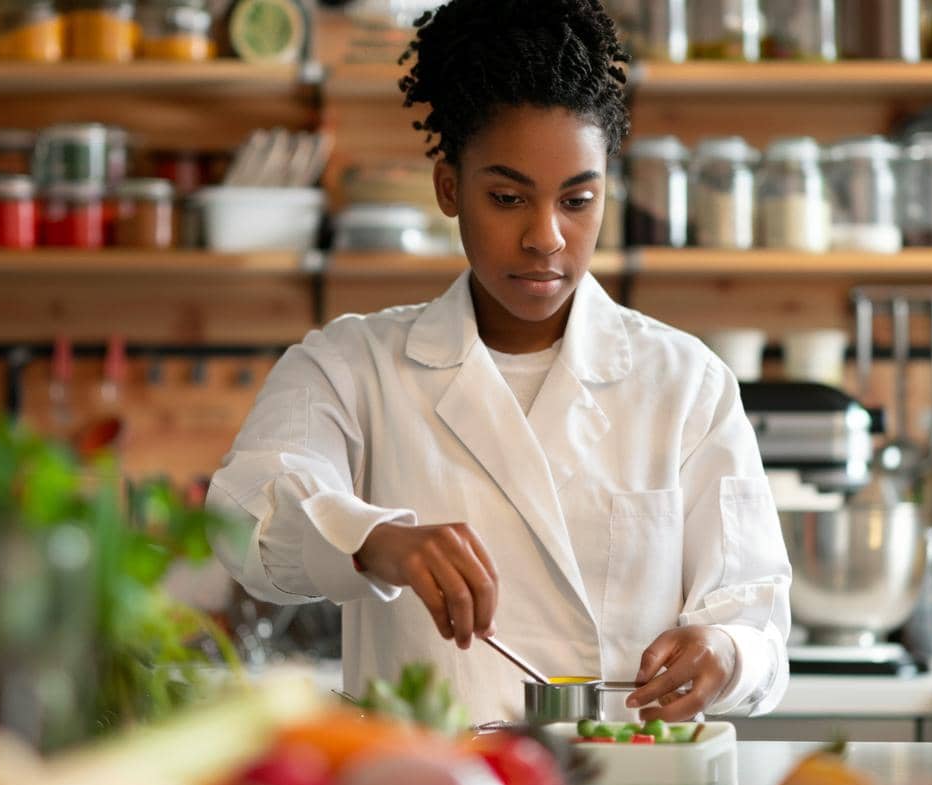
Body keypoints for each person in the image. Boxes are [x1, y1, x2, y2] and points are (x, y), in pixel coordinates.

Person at [209, 0, 791, 724]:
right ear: (449, 189)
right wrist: (373, 541)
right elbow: (246, 517)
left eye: (578, 199)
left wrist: (727, 654)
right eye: (509, 197)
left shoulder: (687, 385)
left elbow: (759, 626)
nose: (545, 237)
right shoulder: (352, 366)